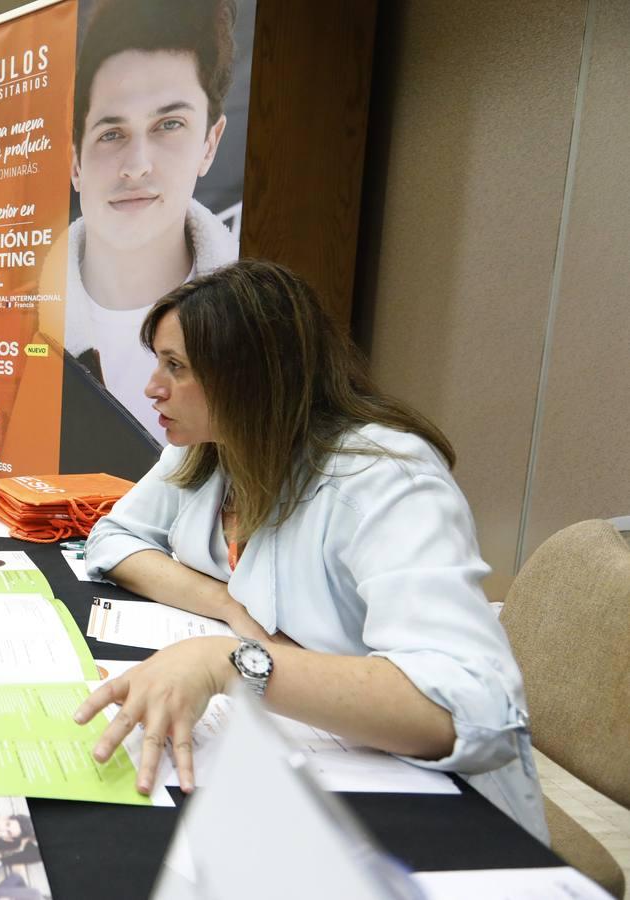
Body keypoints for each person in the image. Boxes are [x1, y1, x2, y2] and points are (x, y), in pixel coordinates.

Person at [72, 260, 548, 843]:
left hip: (438, 815)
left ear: (251, 378)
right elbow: (113, 539)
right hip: (303, 756)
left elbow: (469, 708)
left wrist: (230, 661)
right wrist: (223, 605)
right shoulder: (206, 447)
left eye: (177, 367)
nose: (153, 387)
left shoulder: (385, 477)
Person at [62, 0, 240, 440]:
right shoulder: (10, 318)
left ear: (209, 143)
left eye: (169, 125)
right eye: (111, 133)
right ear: (76, 162)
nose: (136, 165)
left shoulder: (255, 326)